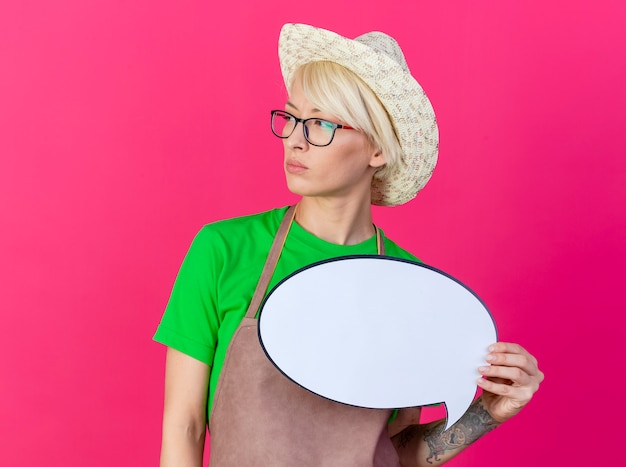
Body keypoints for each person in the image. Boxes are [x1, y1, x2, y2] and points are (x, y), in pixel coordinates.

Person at [154, 23, 544, 467]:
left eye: (321, 123)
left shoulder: (411, 288)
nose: (295, 139)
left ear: (377, 148)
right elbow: (184, 423)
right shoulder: (225, 249)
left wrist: (488, 413)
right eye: (291, 117)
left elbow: (393, 453)